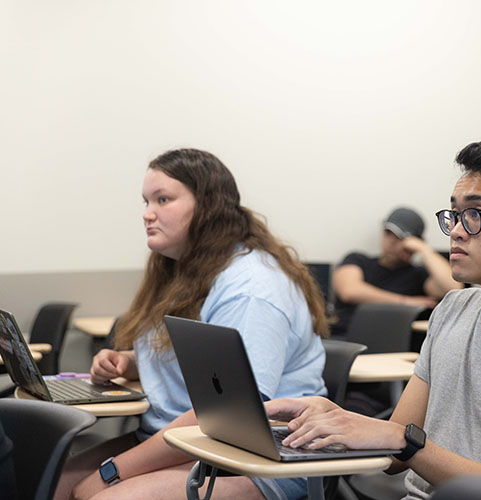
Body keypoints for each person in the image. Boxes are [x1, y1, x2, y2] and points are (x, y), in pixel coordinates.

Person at [265, 138, 481, 499]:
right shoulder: (453, 309)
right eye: (455, 214)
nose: (458, 231)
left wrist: (405, 442)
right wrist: (336, 418)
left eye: (476, 214)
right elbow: (396, 453)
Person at [66, 149, 328, 500]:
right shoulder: (186, 272)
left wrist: (113, 472)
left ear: (208, 207)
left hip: (255, 461)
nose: (147, 214)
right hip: (189, 443)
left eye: (163, 199)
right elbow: (204, 375)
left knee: (97, 496)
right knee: (49, 482)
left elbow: (229, 415)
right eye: (146, 201)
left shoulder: (251, 289)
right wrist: (132, 362)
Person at [331, 207, 462, 336]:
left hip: (392, 344)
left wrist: (425, 250)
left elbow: (454, 288)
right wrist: (406, 302)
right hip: (345, 336)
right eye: (388, 233)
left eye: (400, 236)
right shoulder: (358, 260)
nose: (391, 241)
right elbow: (349, 291)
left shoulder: (418, 275)